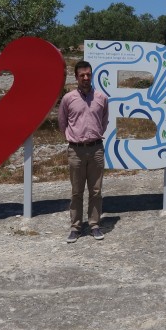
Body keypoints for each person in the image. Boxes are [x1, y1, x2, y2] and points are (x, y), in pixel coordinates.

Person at [58, 60, 109, 243]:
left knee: (96, 190)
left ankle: (94, 225)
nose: (86, 78)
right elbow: (62, 122)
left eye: (88, 74)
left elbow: (104, 120)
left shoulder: (101, 98)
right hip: (76, 151)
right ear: (76, 77)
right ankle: (76, 227)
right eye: (82, 75)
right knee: (76, 191)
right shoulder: (68, 98)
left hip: (96, 149)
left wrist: (96, 135)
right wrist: (72, 138)